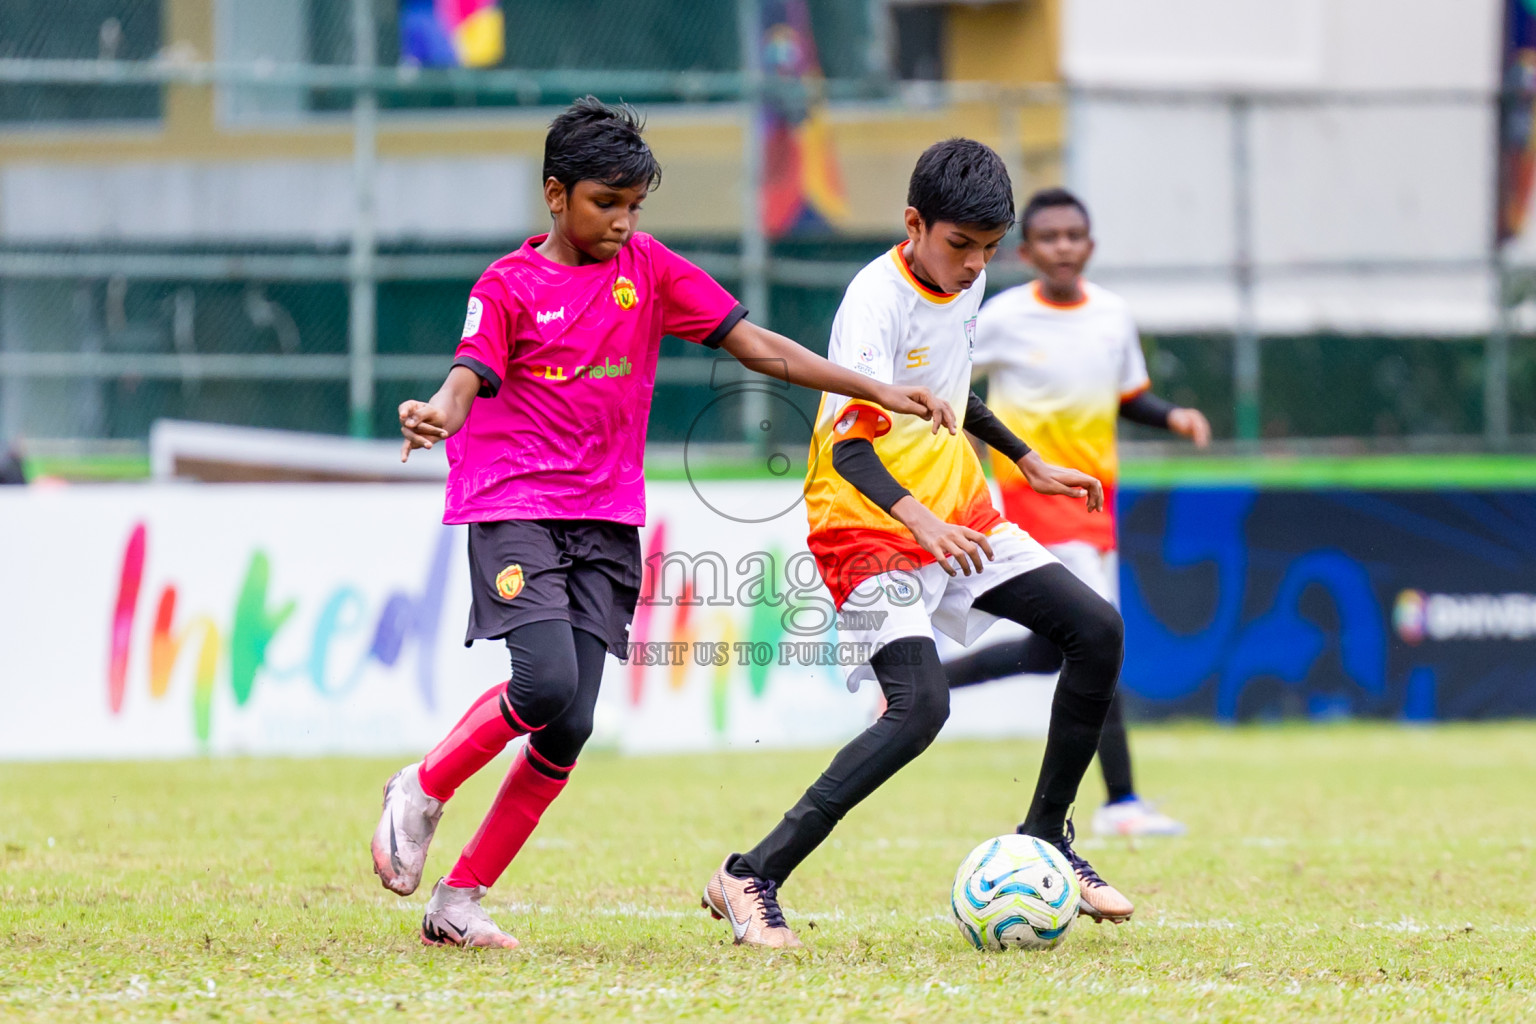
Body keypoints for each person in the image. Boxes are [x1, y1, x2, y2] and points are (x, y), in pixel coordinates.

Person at [369, 97, 957, 950]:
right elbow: (468, 374)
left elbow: (758, 346)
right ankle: (421, 788)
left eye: (635, 206)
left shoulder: (648, 269)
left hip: (606, 520)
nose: (622, 221)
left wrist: (870, 387)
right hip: (514, 504)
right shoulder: (507, 284)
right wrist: (440, 412)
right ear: (555, 194)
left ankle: (459, 902)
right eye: (606, 203)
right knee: (541, 687)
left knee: (569, 725)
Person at [704, 140, 1134, 950]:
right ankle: (749, 874)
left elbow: (951, 394)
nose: (975, 266)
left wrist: (1027, 459)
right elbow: (849, 445)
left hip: (958, 512)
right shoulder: (875, 302)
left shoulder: (960, 285)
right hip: (866, 528)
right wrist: (920, 523)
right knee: (920, 708)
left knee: (1098, 630)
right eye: (960, 246)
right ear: (914, 224)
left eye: (988, 249)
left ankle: (1047, 836)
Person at [949, 187, 1212, 838]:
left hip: (1097, 508)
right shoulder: (1003, 317)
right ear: (1027, 249)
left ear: (1089, 246)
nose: (1063, 246)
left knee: (1056, 650)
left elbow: (1127, 395)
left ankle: (923, 678)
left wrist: (1171, 415)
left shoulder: (1113, 316)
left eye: (1074, 236)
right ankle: (1121, 802)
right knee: (1100, 641)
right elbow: (946, 384)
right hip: (1037, 506)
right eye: (1050, 237)